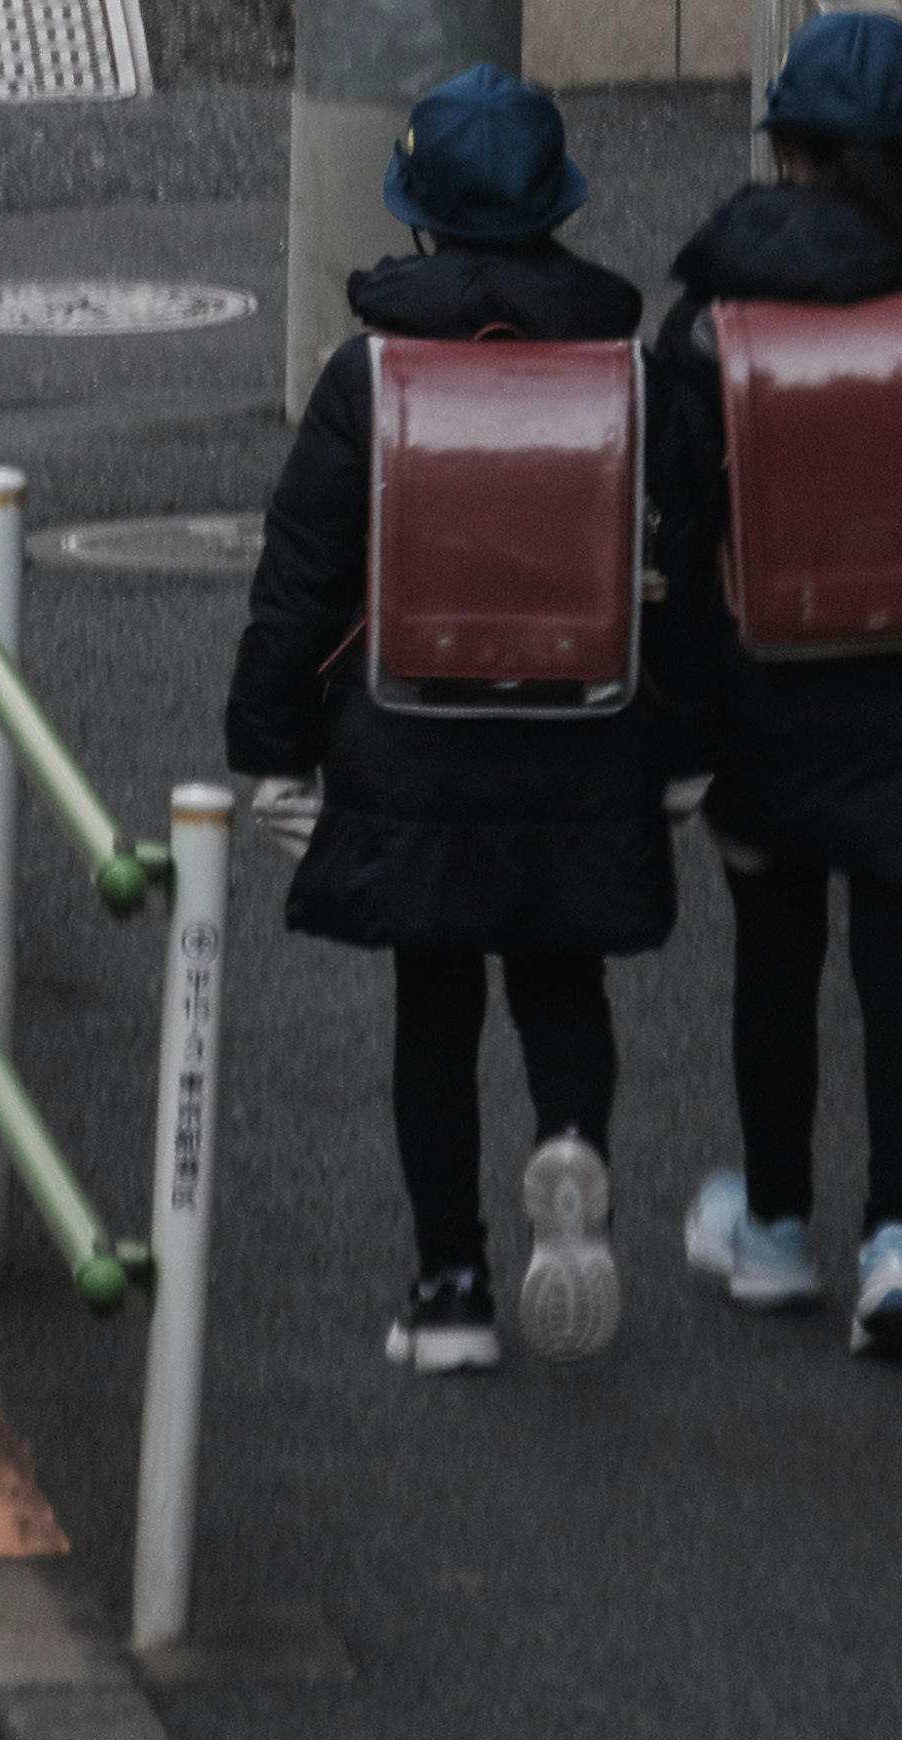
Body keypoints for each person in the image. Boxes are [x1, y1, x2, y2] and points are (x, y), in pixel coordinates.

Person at [226, 67, 673, 1378]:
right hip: (583, 728)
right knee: (562, 973)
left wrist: (271, 749)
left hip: (409, 734)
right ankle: (574, 1143)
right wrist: (684, 748)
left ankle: (453, 1284)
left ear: (419, 216)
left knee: (436, 1003)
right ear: (557, 209)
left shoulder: (369, 375)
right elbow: (680, 578)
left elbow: (301, 576)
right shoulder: (626, 370)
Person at [647, 6, 902, 1366]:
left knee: (775, 952)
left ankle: (779, 1227)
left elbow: (673, 533)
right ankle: (901, 1242)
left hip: (763, 689)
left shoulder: (708, 322)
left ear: (788, 145)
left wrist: (677, 725)